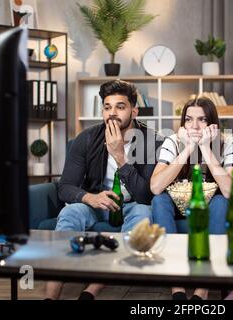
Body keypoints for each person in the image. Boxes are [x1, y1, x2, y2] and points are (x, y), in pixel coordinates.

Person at [45, 80, 161, 300]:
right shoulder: (87, 138)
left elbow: (146, 195)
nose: (112, 113)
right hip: (97, 203)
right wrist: (89, 197)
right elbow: (65, 187)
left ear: (134, 110)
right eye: (107, 107)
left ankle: (90, 292)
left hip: (133, 205)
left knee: (144, 214)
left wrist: (120, 157)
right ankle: (50, 297)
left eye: (120, 106)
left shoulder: (152, 142)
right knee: (70, 212)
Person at [150, 96, 233, 300]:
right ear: (182, 122)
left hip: (211, 205)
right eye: (189, 119)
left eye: (202, 119)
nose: (194, 125)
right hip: (177, 203)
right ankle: (177, 289)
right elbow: (156, 187)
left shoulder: (230, 143)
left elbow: (229, 191)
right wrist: (188, 148)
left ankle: (203, 289)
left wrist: (204, 148)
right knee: (158, 201)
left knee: (222, 201)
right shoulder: (173, 141)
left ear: (213, 123)